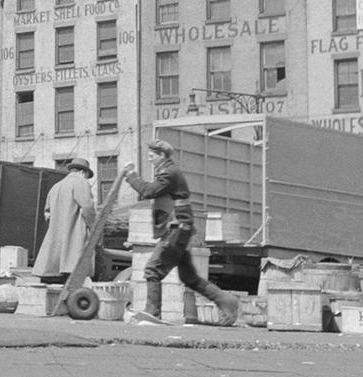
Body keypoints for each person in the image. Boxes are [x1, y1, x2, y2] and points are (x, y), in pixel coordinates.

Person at [125, 139, 239, 326]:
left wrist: (131, 176)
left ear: (162, 156)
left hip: (176, 229)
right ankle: (227, 302)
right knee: (189, 278)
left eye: (152, 155)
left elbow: (148, 191)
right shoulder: (169, 171)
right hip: (180, 229)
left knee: (152, 269)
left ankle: (152, 312)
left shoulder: (169, 174)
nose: (149, 159)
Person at [32, 157, 97, 280]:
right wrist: (94, 229)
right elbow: (88, 209)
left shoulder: (56, 186)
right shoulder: (81, 183)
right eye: (87, 176)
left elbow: (47, 214)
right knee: (75, 278)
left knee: (55, 283)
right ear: (83, 172)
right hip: (75, 241)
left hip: (56, 243)